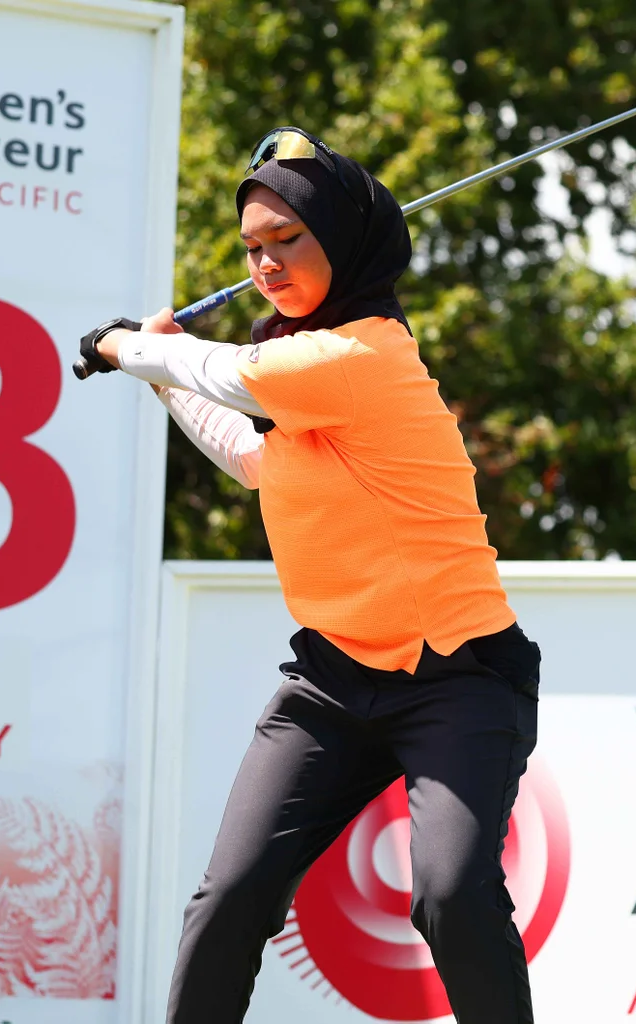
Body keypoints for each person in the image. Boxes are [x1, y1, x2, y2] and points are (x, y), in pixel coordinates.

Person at [77, 127, 542, 1024]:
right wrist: (161, 376)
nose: (266, 264)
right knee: (230, 898)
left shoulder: (360, 355)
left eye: (287, 240)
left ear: (341, 238)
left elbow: (240, 378)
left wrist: (132, 346)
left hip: (459, 677)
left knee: (448, 896)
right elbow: (251, 455)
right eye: (252, 248)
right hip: (332, 680)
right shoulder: (294, 376)